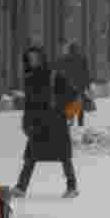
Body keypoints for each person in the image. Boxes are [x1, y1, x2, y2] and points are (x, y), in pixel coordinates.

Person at [13, 45, 79, 199]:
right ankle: (21, 188)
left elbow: (74, 95)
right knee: (30, 157)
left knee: (64, 156)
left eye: (36, 57)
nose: (33, 61)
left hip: (56, 122)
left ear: (42, 58)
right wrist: (25, 121)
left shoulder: (54, 76)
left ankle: (72, 187)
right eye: (30, 58)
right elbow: (29, 104)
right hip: (37, 124)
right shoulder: (29, 78)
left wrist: (70, 115)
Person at [55, 42, 91, 126]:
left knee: (70, 103)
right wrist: (87, 86)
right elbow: (86, 73)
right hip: (79, 86)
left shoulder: (65, 59)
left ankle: (71, 120)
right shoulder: (82, 58)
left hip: (69, 86)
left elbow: (60, 70)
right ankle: (80, 122)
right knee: (79, 104)